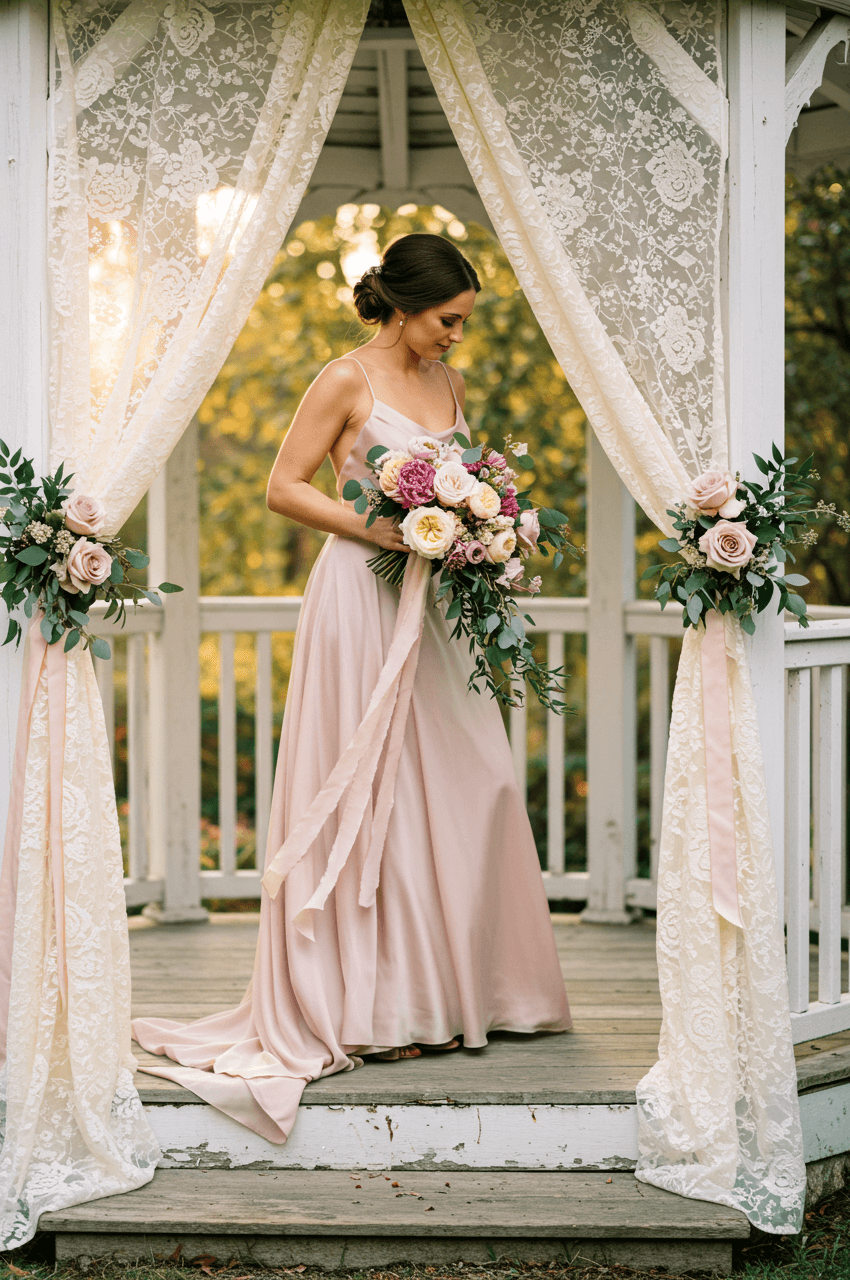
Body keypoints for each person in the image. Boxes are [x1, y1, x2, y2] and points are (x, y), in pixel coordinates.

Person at [132, 232, 571, 1144]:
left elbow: (469, 479)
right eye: (449, 320)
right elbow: (283, 488)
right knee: (367, 792)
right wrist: (391, 532)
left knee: (467, 779)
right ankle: (377, 1013)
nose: (457, 336)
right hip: (361, 596)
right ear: (404, 307)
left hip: (439, 599)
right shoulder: (343, 379)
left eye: (464, 322)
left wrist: (482, 524)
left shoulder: (450, 385)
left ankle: (460, 995)